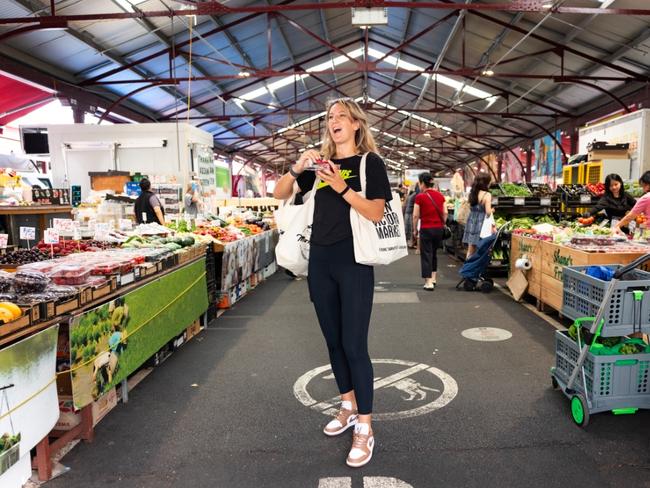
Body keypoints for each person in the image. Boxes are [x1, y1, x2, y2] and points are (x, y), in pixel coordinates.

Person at [273, 97, 391, 468]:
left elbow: (375, 211)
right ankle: (347, 407)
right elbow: (279, 193)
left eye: (342, 115)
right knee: (334, 342)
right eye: (329, 117)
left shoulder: (369, 163)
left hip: (354, 261)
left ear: (356, 124)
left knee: (355, 345)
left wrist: (341, 186)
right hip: (320, 261)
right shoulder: (319, 166)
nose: (334, 120)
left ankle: (366, 428)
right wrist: (298, 167)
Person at [412, 173, 447, 290]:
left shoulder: (420, 197)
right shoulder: (440, 196)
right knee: (434, 253)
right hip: (438, 229)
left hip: (426, 228)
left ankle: (428, 282)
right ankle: (434, 278)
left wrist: (414, 230)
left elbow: (415, 215)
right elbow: (445, 212)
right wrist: (442, 223)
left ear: (422, 183)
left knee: (426, 254)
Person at [462, 173, 493, 259]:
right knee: (481, 248)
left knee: (471, 248)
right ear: (486, 183)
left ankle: (467, 267)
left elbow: (471, 207)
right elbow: (488, 212)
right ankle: (474, 269)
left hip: (471, 221)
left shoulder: (472, 193)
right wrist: (492, 210)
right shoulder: (487, 195)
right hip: (481, 223)